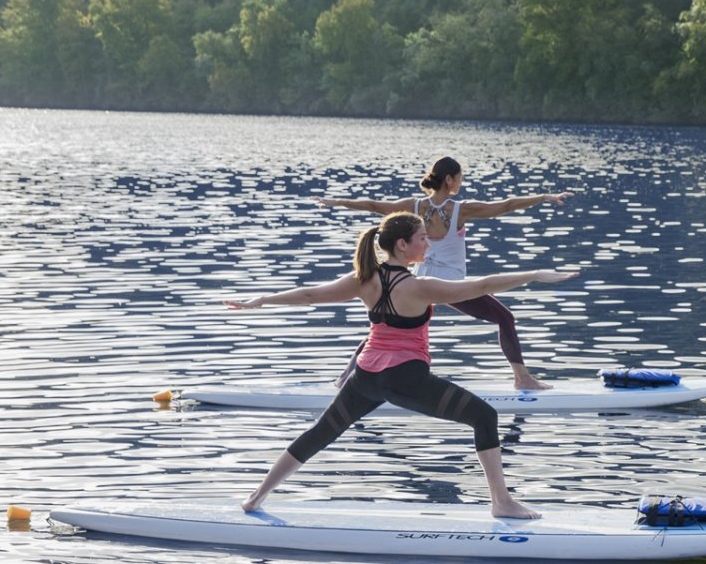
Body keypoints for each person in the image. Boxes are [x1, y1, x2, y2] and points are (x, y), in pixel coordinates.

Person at [223, 211, 576, 518]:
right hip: (405, 378)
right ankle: (502, 502)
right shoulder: (420, 287)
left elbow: (310, 295)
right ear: (403, 245)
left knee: (321, 433)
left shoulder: (364, 279)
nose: (428, 244)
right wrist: (532, 275)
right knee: (484, 417)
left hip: (365, 376)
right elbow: (480, 285)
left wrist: (261, 301)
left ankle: (256, 497)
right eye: (423, 238)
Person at [315, 156, 573, 390]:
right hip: (448, 286)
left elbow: (373, 205)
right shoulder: (461, 208)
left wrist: (337, 202)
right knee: (505, 318)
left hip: (417, 282)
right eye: (459, 177)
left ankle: (346, 378)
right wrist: (543, 197)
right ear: (449, 179)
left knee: (385, 326)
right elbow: (505, 206)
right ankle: (522, 378)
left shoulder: (412, 206)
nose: (460, 182)